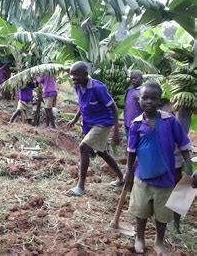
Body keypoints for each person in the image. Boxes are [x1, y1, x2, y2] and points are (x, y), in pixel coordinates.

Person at [124, 82, 192, 255]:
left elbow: (184, 146)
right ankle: (139, 238)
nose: (149, 102)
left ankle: (159, 241)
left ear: (159, 101)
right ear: (139, 100)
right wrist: (128, 172)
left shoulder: (170, 122)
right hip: (142, 178)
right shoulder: (136, 125)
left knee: (162, 216)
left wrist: (189, 170)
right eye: (145, 98)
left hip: (165, 179)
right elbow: (131, 152)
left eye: (153, 98)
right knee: (141, 212)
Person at [66, 61, 124, 196]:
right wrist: (75, 119)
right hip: (89, 122)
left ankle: (80, 186)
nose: (73, 78)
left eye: (76, 75)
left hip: (103, 122)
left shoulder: (98, 88)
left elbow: (113, 106)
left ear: (86, 74)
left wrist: (116, 130)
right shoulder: (78, 86)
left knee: (83, 147)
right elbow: (82, 105)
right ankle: (121, 178)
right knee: (102, 152)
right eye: (71, 75)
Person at [124, 70, 143, 139]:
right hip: (127, 122)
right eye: (132, 78)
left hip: (138, 123)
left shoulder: (143, 91)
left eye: (135, 78)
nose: (133, 80)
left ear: (141, 79)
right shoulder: (129, 91)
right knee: (129, 141)